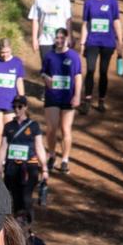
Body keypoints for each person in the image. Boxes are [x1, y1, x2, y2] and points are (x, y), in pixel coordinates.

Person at [0, 95, 50, 216]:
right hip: (11, 167)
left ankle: (26, 222)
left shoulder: (34, 126)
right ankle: (18, 224)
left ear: (25, 107)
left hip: (29, 167)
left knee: (26, 196)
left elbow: (39, 147)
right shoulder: (8, 126)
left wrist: (44, 168)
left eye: (20, 106)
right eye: (14, 106)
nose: (17, 109)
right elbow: (3, 146)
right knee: (15, 197)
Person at [80, 0, 123, 115]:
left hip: (108, 43)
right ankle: (87, 100)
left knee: (103, 72)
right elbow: (85, 23)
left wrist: (120, 43)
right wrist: (82, 42)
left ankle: (101, 101)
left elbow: (116, 22)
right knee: (90, 70)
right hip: (92, 41)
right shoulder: (88, 2)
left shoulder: (112, 2)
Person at [40, 28, 82, 173]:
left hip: (68, 98)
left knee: (65, 129)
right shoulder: (49, 56)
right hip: (52, 96)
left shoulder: (73, 56)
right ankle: (52, 155)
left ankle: (65, 159)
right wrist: (46, 78)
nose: (59, 40)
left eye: (61, 38)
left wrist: (77, 95)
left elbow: (77, 76)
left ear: (66, 38)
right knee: (51, 129)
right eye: (56, 37)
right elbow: (43, 72)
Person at [28, 0, 73, 67]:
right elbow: (35, 19)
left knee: (60, 67)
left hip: (60, 39)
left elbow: (68, 20)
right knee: (46, 67)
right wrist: (34, 39)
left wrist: (70, 37)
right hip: (45, 39)